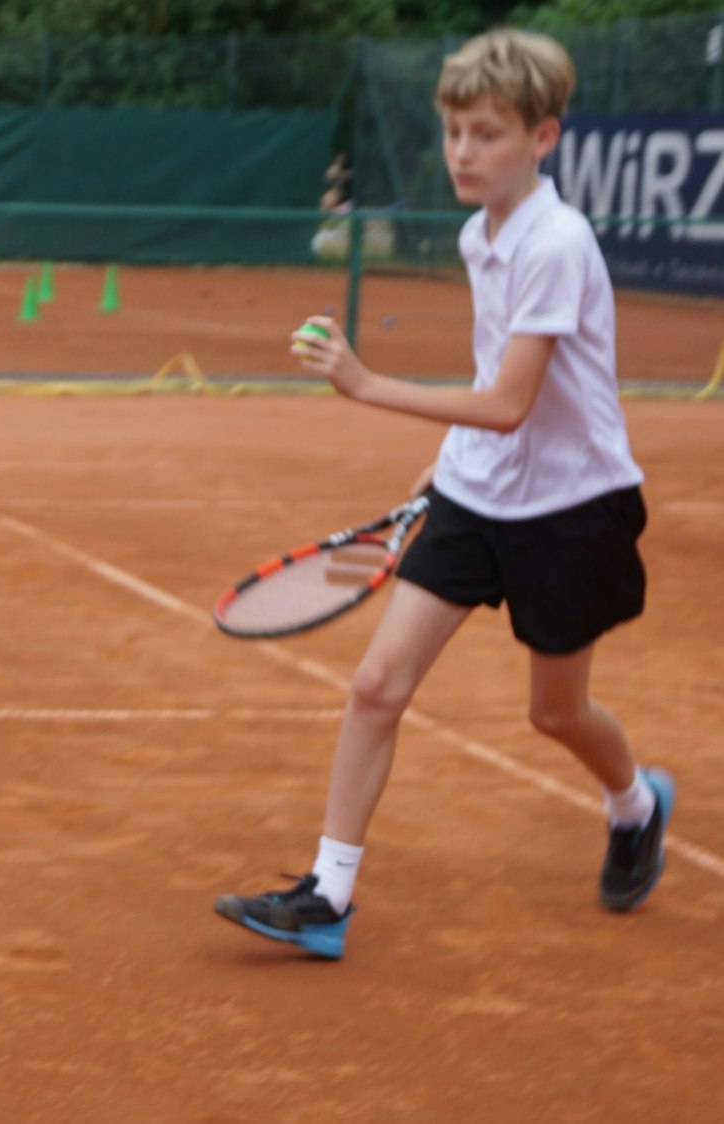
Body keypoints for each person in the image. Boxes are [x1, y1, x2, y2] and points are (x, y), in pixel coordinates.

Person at [216, 28, 672, 960]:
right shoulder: (479, 233)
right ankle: (327, 896)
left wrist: (364, 384)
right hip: (477, 492)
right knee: (375, 684)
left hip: (570, 510)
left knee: (554, 712)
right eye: (454, 131)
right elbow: (490, 378)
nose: (462, 152)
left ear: (541, 138)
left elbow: (509, 403)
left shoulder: (556, 243)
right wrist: (447, 456)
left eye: (486, 134)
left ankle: (633, 804)